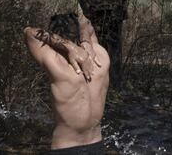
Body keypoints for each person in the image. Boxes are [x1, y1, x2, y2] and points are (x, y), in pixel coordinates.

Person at [24, 12, 110, 154]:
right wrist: (85, 41)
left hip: (66, 148)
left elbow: (29, 32)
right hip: (97, 146)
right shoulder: (100, 56)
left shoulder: (56, 63)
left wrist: (68, 46)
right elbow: (87, 25)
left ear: (53, 36)